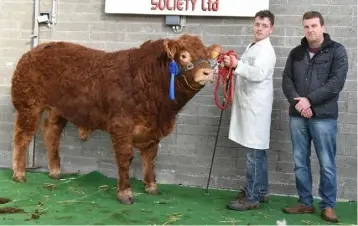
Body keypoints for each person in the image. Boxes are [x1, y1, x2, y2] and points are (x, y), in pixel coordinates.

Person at [281, 11, 348, 223]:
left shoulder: (336, 51)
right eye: (306, 26)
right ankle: (305, 203)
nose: (310, 30)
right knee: (300, 162)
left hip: (324, 118)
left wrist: (309, 100)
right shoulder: (296, 53)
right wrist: (298, 103)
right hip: (298, 115)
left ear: (323, 27)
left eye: (314, 26)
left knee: (326, 163)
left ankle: (328, 206)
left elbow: (336, 83)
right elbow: (286, 80)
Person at [224, 9, 276, 211]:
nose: (260, 28)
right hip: (250, 107)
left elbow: (258, 74)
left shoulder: (266, 50)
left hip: (256, 109)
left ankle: (252, 197)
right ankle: (260, 191)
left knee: (253, 153)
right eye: (257, 24)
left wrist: (237, 65)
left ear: (271, 29)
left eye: (264, 26)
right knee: (258, 152)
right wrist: (234, 66)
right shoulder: (254, 46)